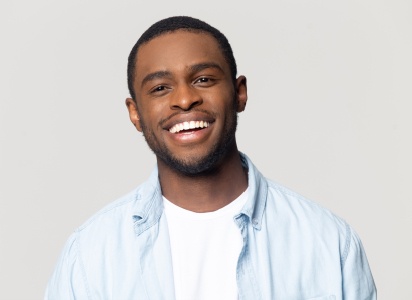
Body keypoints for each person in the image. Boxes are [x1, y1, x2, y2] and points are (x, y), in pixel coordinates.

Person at [45, 16, 376, 299]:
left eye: (203, 79)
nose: (186, 99)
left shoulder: (329, 243)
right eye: (160, 88)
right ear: (135, 114)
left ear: (239, 93)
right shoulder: (90, 255)